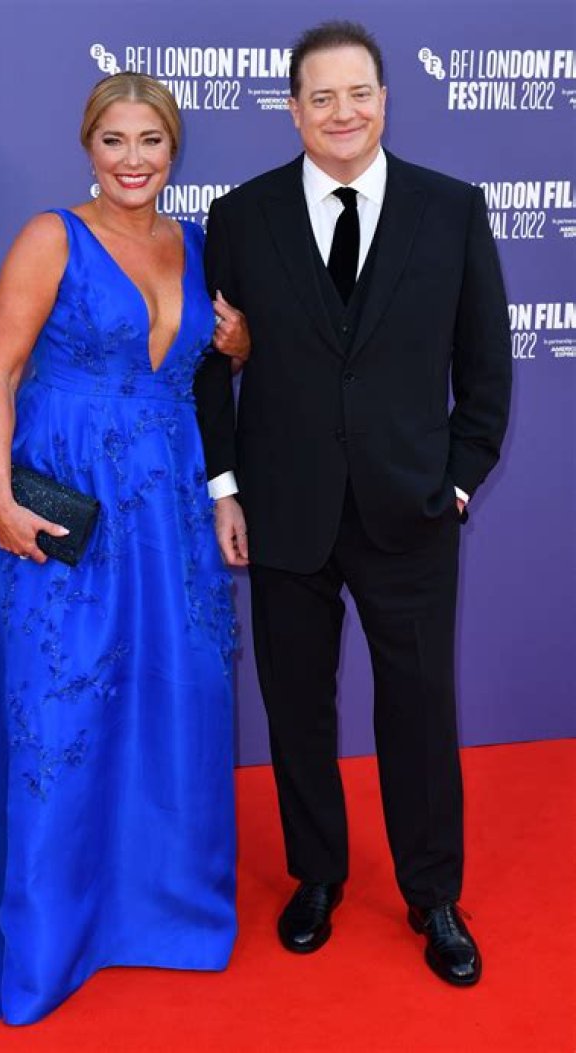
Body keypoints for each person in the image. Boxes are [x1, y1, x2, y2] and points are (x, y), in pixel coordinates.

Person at [0, 72, 249, 1027]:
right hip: (64, 501)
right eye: (114, 140)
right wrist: (1, 497)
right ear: (88, 146)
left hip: (167, 509)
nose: (133, 159)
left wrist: (237, 349)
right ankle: (47, 925)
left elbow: (204, 368)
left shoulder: (194, 244)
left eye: (151, 140)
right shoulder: (52, 237)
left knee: (176, 695)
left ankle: (157, 909)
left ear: (174, 149)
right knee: (62, 704)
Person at [195, 21, 511, 987]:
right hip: (283, 506)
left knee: (420, 709)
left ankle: (433, 892)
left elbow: (486, 368)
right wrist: (225, 487)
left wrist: (456, 482)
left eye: (359, 93)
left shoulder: (450, 209)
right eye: (322, 97)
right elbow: (210, 365)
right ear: (293, 110)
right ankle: (318, 874)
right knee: (297, 705)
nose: (344, 112)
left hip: (410, 510)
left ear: (385, 100)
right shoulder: (240, 216)